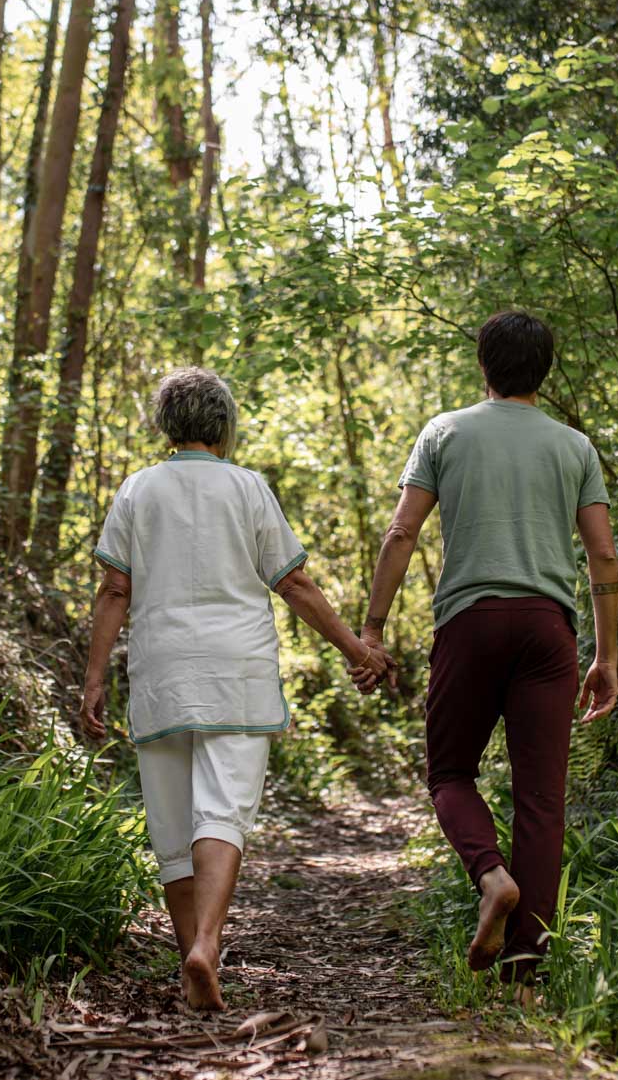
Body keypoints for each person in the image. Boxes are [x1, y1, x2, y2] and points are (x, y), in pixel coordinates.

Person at [80, 366, 393, 1012]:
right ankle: (208, 948)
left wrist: (92, 679)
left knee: (171, 826)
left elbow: (115, 589)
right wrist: (357, 648)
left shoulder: (137, 490)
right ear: (223, 424)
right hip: (236, 672)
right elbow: (295, 583)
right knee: (221, 813)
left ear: (167, 425)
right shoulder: (248, 488)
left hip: (161, 672)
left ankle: (188, 956)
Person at [360, 310, 618, 990]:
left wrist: (374, 627)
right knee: (542, 800)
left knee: (449, 772)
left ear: (484, 364)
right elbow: (602, 553)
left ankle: (491, 877)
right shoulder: (575, 447)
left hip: (469, 622)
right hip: (548, 629)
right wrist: (606, 655)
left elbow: (401, 533)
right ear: (546, 369)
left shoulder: (444, 432)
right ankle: (526, 961)